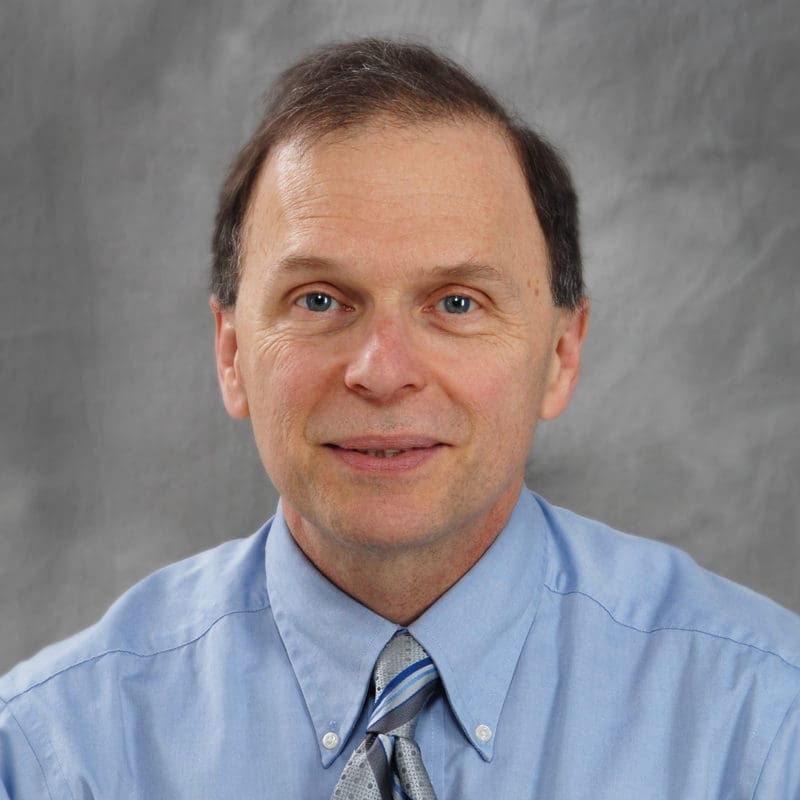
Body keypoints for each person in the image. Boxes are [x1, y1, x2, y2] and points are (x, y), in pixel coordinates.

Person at [1, 38, 798, 799]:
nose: (382, 372)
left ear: (560, 354)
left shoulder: (764, 724)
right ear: (231, 353)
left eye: (457, 302)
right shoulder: (50, 757)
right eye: (319, 300)